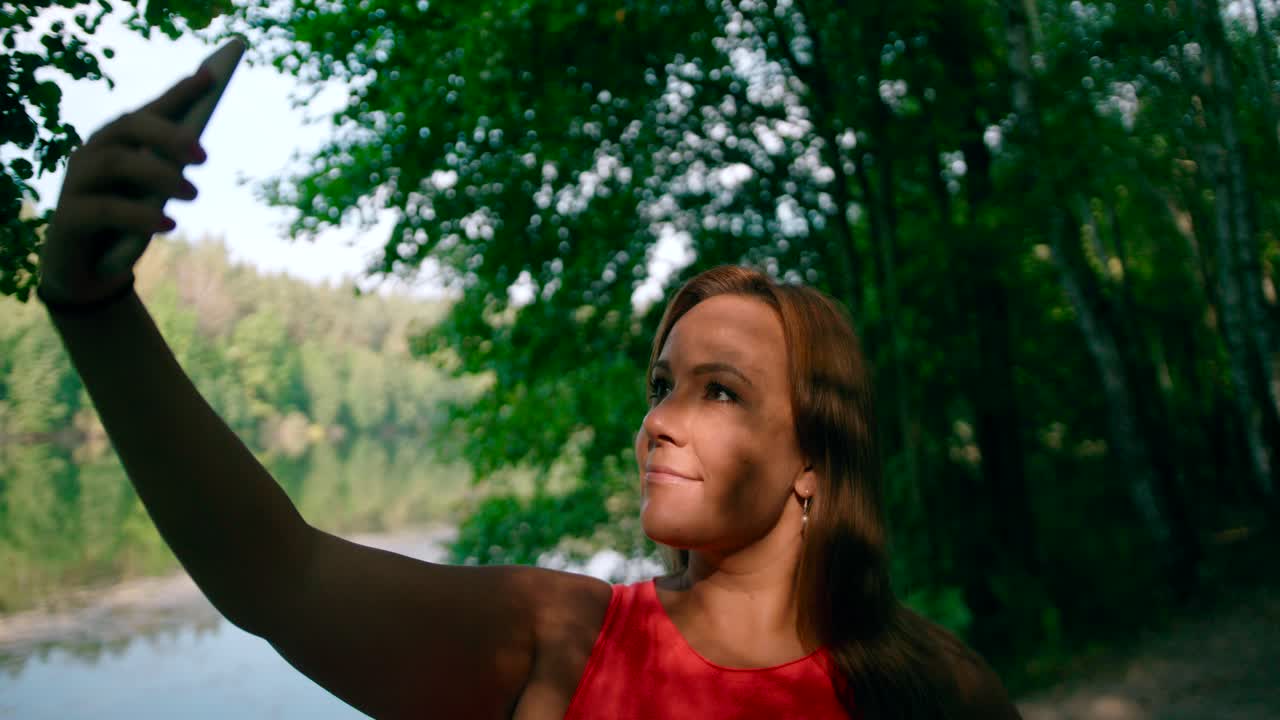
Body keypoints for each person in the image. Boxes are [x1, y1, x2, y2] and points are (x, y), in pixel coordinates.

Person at [37, 70, 1021, 720]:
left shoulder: (933, 687)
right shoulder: (563, 637)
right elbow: (279, 578)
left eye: (718, 392)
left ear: (812, 463)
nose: (659, 422)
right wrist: (94, 312)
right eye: (661, 385)